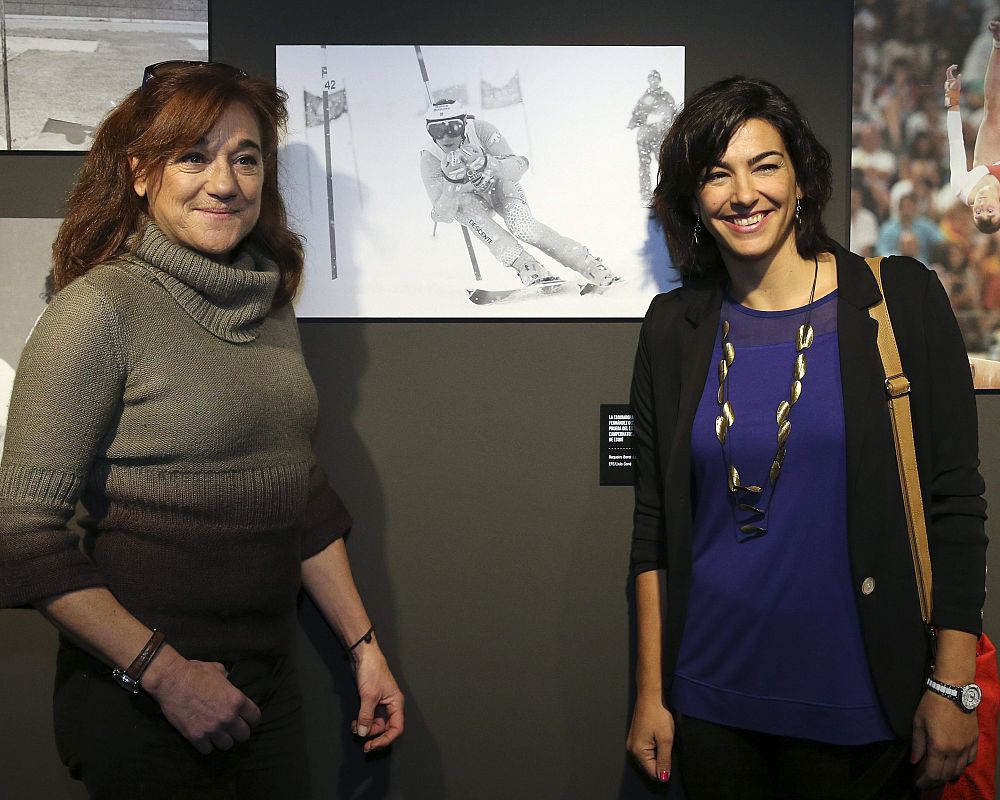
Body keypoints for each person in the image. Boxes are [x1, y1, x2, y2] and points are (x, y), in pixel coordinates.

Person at [0, 61, 403, 799]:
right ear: (141, 173)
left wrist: (364, 649)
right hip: (145, 706)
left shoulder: (267, 303)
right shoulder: (98, 312)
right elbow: (21, 534)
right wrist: (169, 676)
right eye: (194, 155)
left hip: (265, 697)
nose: (225, 182)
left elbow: (298, 489)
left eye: (245, 159)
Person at [626, 76, 986, 798]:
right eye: (716, 174)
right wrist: (651, 692)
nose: (742, 193)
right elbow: (655, 531)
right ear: (694, 200)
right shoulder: (673, 327)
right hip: (711, 700)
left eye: (764, 165)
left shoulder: (899, 300)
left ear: (800, 178)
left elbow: (954, 503)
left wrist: (953, 685)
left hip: (861, 704)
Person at [419, 98, 620, 287]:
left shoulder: (480, 130)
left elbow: (520, 165)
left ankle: (588, 264)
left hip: (499, 188)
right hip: (471, 202)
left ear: (463, 124)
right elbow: (442, 214)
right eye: (436, 130)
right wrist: (451, 185)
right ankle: (528, 266)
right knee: (465, 209)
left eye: (453, 128)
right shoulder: (431, 158)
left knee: (524, 227)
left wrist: (490, 164)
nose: (445, 137)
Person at [946, 21, 1000, 235]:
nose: (982, 207)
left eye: (978, 214)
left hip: (987, 158)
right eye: (990, 211)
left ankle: (997, 42)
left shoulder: (961, 186)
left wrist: (953, 98)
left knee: (993, 109)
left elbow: (956, 142)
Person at [627, 69, 678, 205]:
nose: (653, 81)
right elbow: (636, 115)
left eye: (655, 78)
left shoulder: (666, 96)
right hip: (644, 137)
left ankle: (666, 193)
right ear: (649, 81)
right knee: (644, 166)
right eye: (651, 79)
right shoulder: (644, 98)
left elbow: (672, 115)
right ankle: (645, 194)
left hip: (660, 136)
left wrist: (659, 120)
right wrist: (636, 121)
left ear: (659, 80)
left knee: (663, 164)